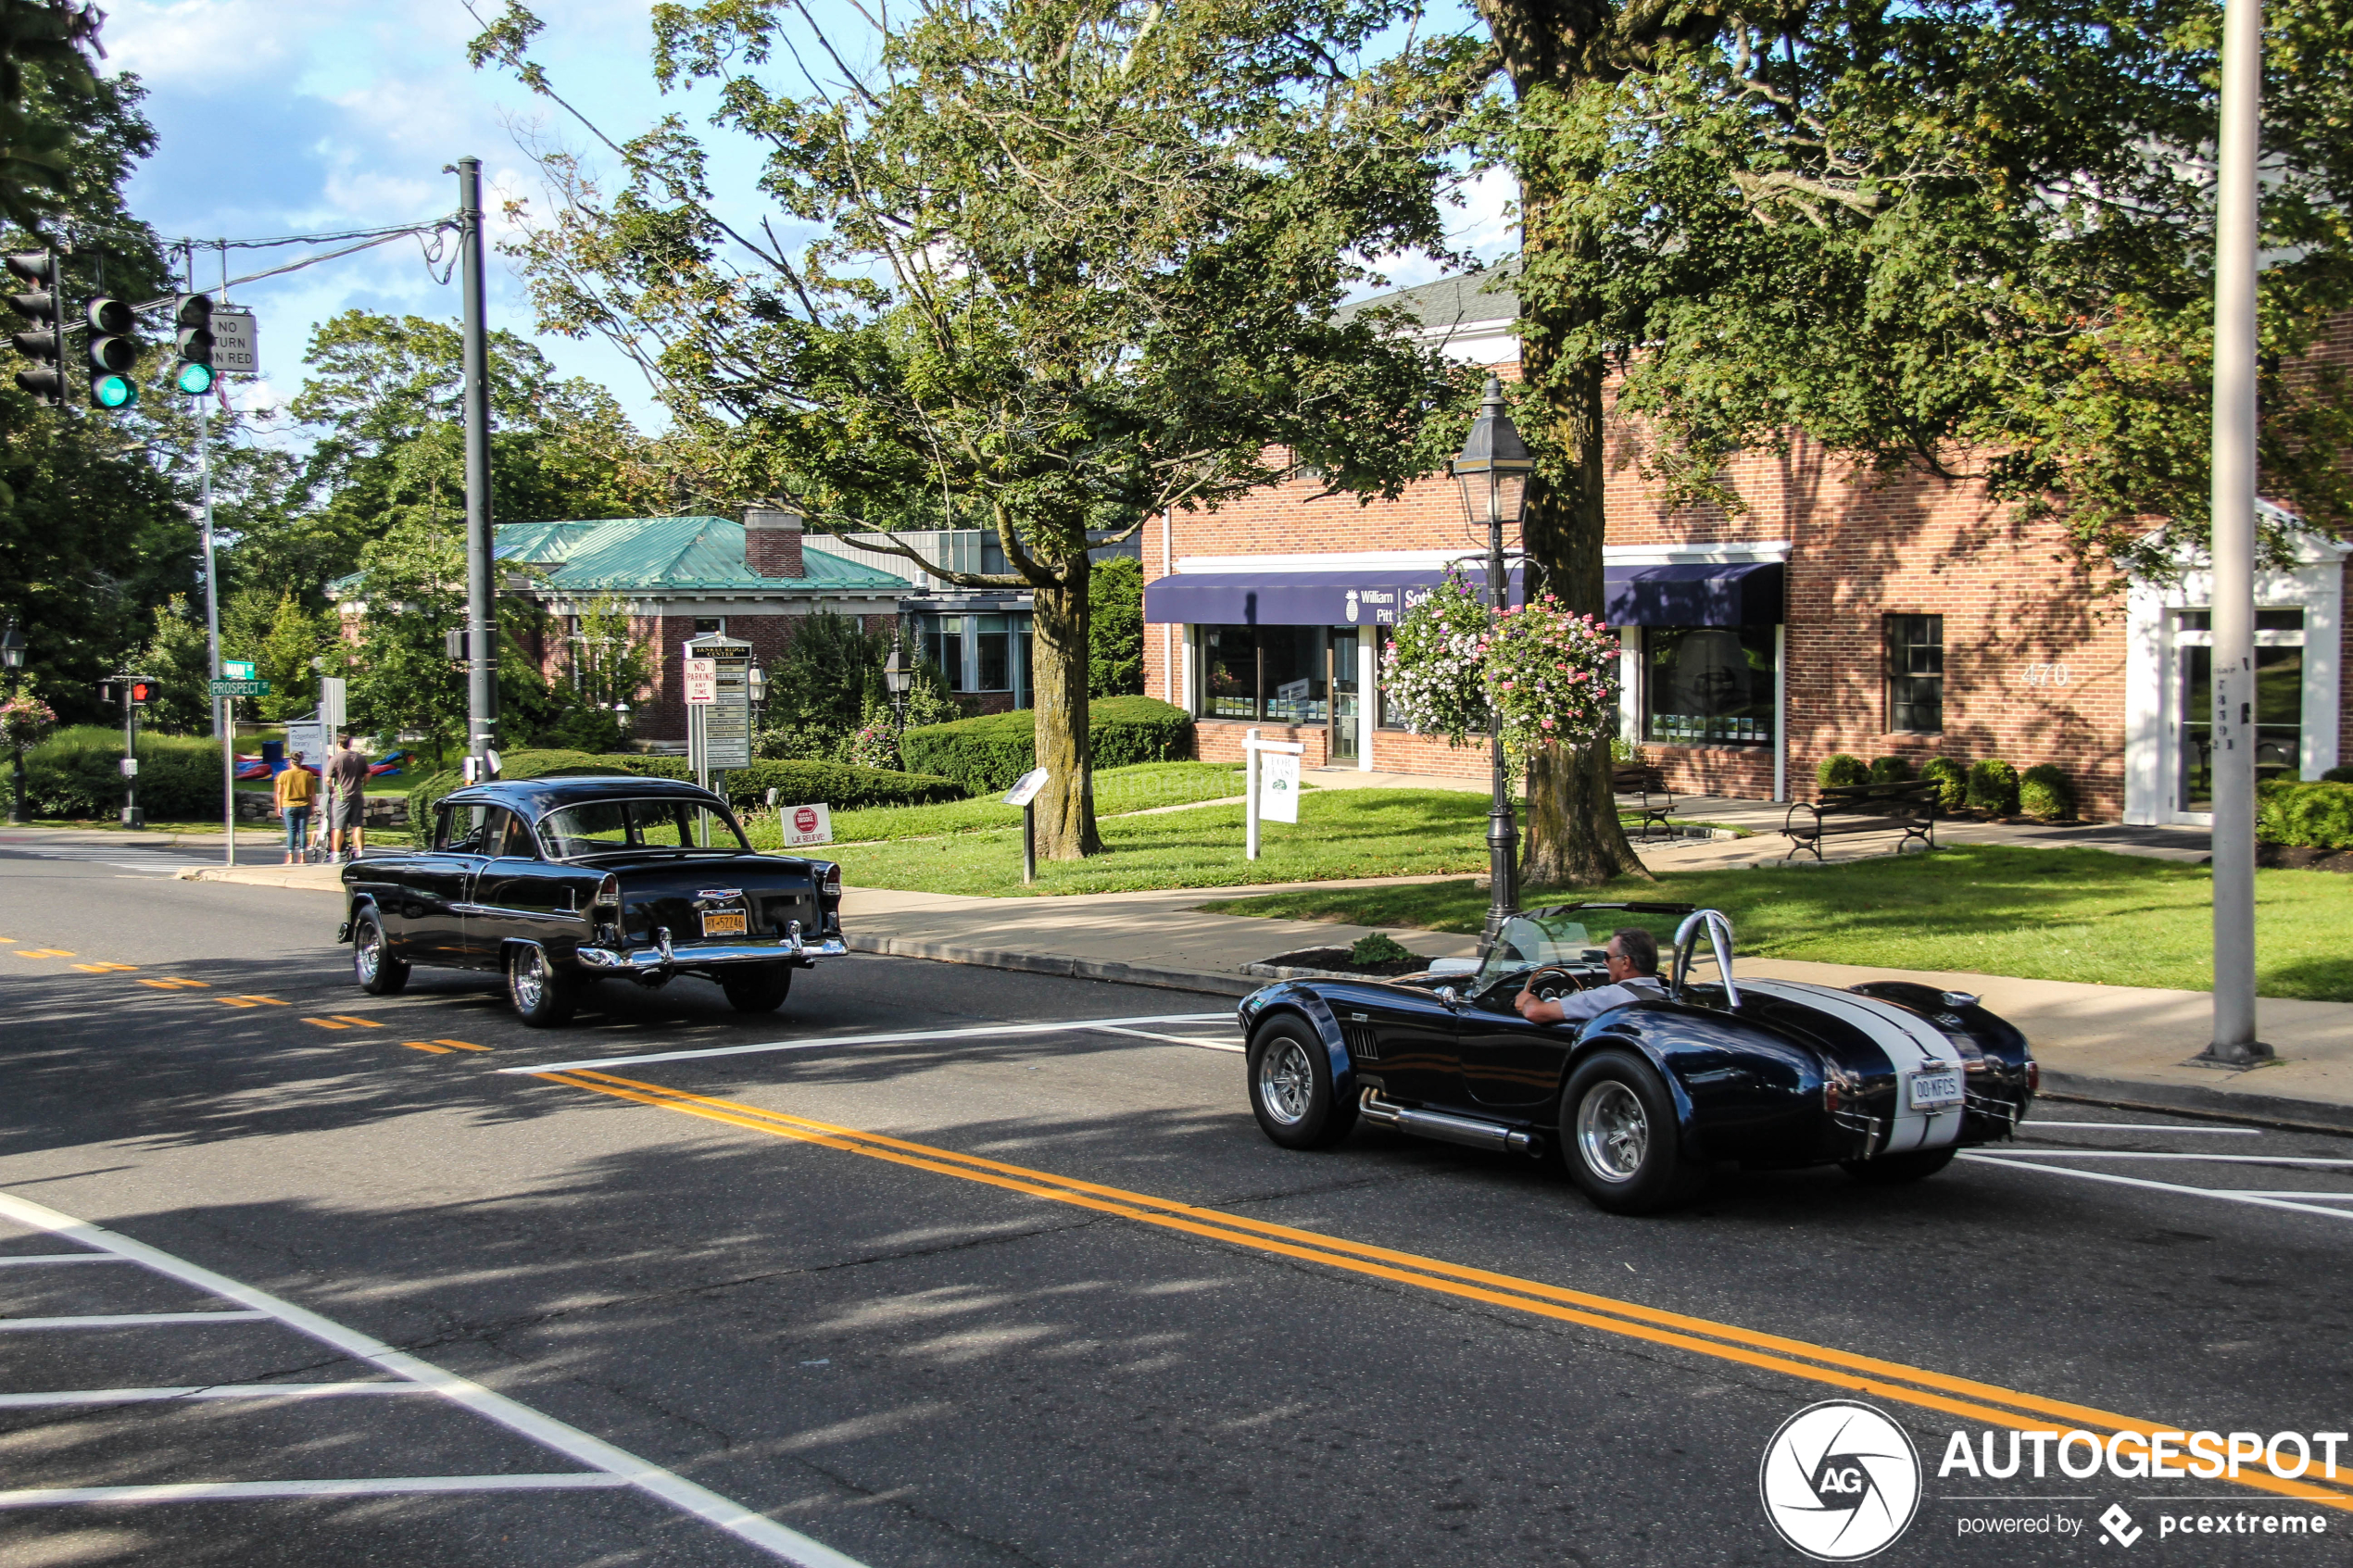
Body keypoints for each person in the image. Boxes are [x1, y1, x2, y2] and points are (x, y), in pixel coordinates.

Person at [1515, 927, 1664, 1026]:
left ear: (1625, 962)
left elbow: (1535, 1012)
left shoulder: (1609, 997)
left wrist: (1527, 1000)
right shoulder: (1666, 994)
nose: (1604, 962)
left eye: (1607, 956)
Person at [326, 734, 372, 862]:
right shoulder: (360, 758)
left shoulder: (336, 759)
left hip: (341, 796)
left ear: (338, 744)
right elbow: (368, 774)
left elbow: (328, 779)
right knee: (357, 825)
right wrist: (363, 784)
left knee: (338, 826)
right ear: (350, 744)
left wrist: (332, 787)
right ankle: (360, 852)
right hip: (357, 795)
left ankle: (336, 854)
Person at [273, 750, 316, 866]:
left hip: (288, 805)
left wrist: (278, 807)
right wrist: (312, 806)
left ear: (290, 762)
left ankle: (290, 856)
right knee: (302, 830)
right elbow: (312, 793)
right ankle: (302, 856)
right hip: (304, 804)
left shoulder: (284, 774)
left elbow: (279, 793)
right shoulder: (307, 774)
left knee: (291, 831)